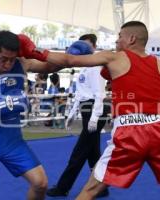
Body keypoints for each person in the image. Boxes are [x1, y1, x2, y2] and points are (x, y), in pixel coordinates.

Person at [24, 21, 160, 200]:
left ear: (131, 39)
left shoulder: (115, 57)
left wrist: (35, 51)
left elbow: (69, 59)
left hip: (130, 132)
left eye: (119, 36)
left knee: (90, 190)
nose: (116, 41)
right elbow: (137, 80)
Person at [0, 30, 67, 200]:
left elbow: (55, 66)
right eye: (3, 59)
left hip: (9, 136)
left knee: (41, 184)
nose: (8, 64)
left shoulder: (22, 63)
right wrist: (0, 105)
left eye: (12, 59)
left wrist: (40, 53)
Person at [46, 34, 109, 197]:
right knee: (92, 152)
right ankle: (101, 188)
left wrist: (95, 117)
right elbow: (80, 94)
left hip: (96, 109)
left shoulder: (95, 66)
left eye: (86, 45)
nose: (82, 48)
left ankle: (62, 187)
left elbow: (99, 94)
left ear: (94, 47)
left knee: (79, 152)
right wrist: (72, 113)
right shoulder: (83, 66)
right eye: (80, 44)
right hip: (87, 108)